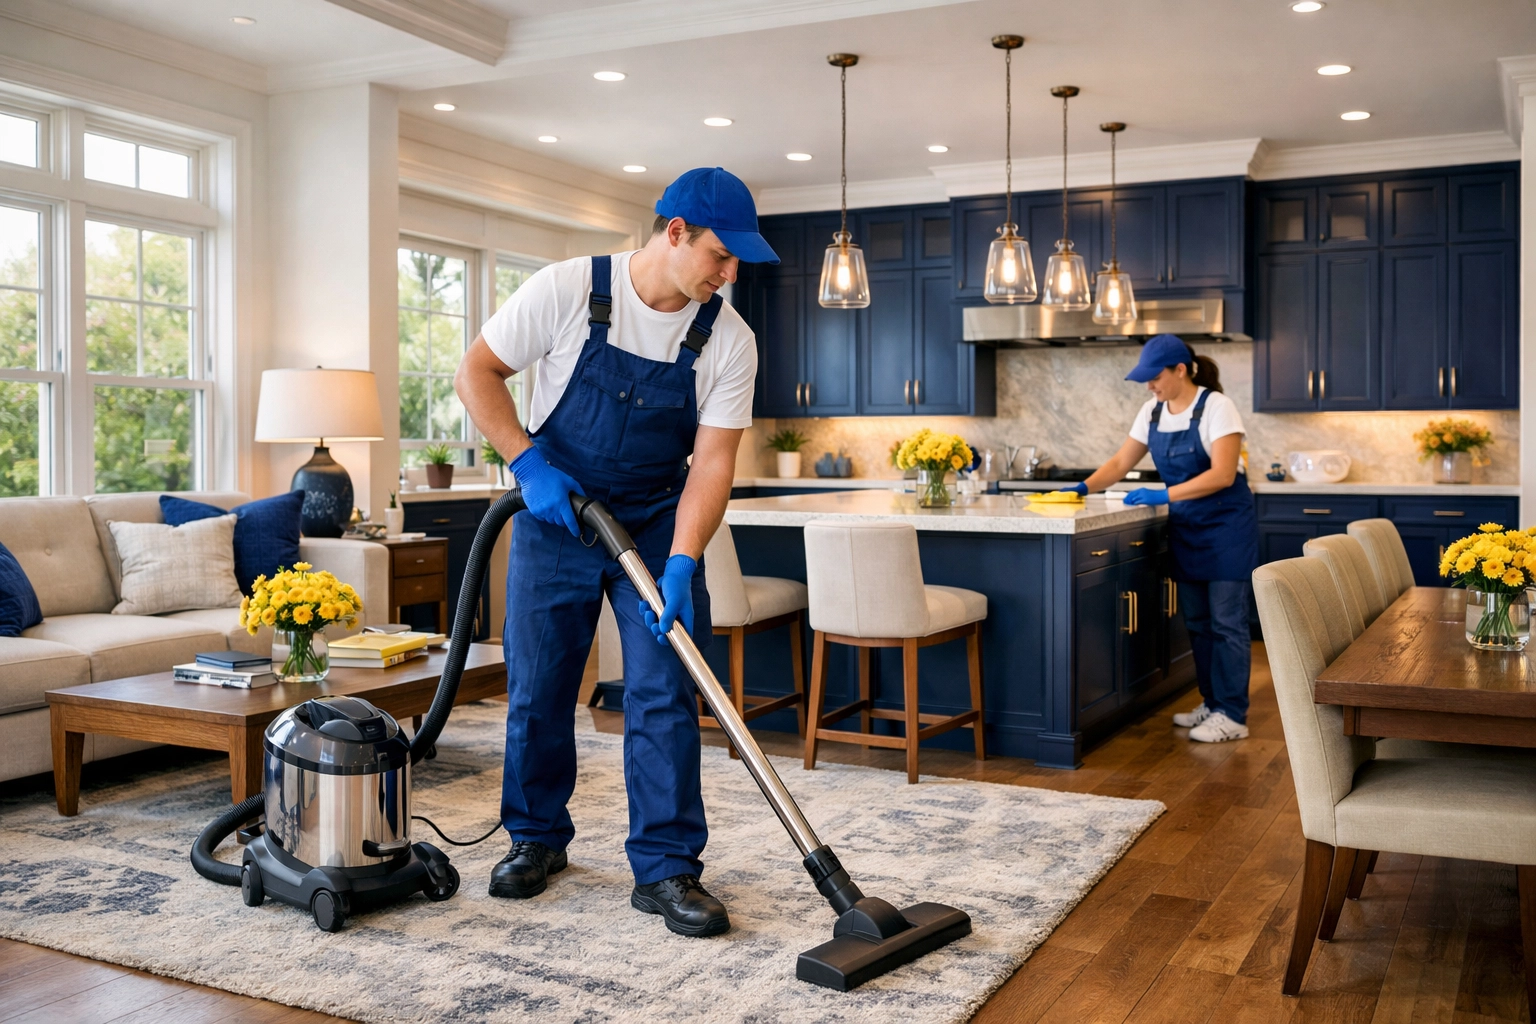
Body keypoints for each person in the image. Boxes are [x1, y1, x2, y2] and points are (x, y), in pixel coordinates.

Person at [453, 167, 777, 937]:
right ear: (674, 233)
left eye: (736, 264)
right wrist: (527, 463)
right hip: (556, 514)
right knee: (540, 685)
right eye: (720, 257)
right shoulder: (568, 289)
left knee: (664, 688)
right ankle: (535, 839)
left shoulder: (728, 338)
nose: (729, 276)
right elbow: (477, 372)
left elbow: (713, 464)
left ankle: (667, 869)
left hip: (659, 518)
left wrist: (685, 561)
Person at [1070, 334, 1258, 743]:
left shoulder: (1217, 407)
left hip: (1226, 528)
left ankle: (1234, 715)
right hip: (1188, 527)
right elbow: (1121, 461)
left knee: (1227, 623)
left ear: (1180, 370)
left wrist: (1164, 494)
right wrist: (1081, 489)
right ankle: (1213, 704)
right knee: (1198, 622)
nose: (1149, 386)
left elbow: (1223, 474)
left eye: (1154, 377)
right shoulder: (1151, 412)